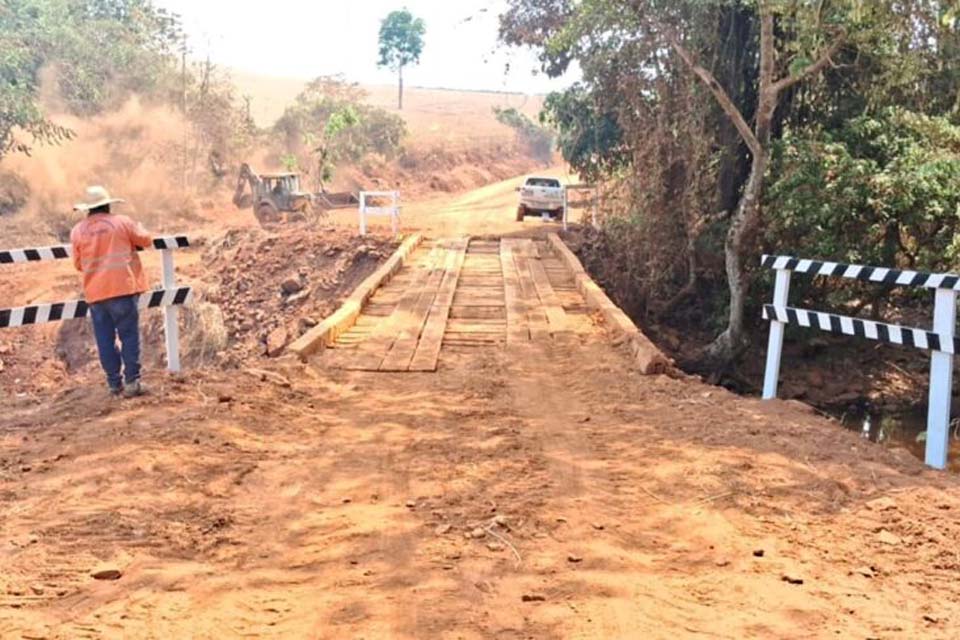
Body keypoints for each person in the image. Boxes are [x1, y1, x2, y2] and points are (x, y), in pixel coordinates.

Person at [70, 186, 152, 398]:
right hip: (122, 288)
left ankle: (114, 384)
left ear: (87, 209)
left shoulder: (77, 231)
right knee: (129, 336)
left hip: (96, 294)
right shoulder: (122, 222)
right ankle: (133, 382)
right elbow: (146, 240)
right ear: (108, 205)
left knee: (104, 339)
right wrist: (141, 227)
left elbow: (79, 264)